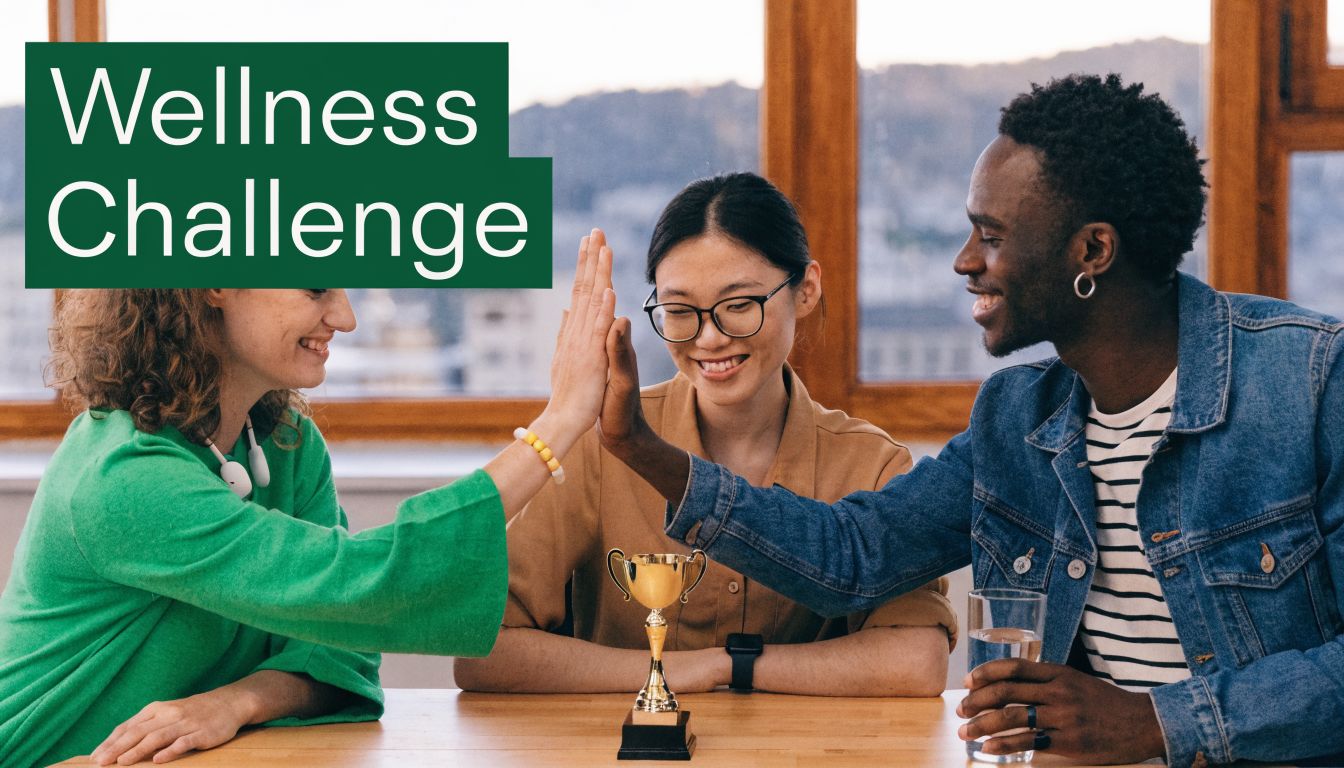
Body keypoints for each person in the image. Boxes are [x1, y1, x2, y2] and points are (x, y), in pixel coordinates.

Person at [598, 75, 1344, 767]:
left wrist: (1157, 721)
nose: (963, 262)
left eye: (990, 236)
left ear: (1092, 250)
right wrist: (639, 444)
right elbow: (852, 557)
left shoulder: (1310, 382)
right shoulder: (1015, 418)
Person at [0, 232, 617, 767]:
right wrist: (558, 424)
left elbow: (340, 645)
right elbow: (363, 586)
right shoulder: (124, 477)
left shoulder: (284, 441)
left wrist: (236, 702)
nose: (345, 318)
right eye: (316, 288)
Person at [454, 173, 955, 698]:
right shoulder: (599, 444)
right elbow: (483, 654)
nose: (710, 338)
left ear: (806, 289)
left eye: (739, 305)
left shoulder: (871, 464)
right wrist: (693, 670)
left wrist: (734, 666)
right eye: (679, 311)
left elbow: (915, 661)